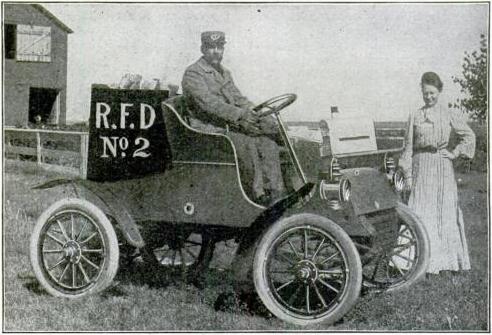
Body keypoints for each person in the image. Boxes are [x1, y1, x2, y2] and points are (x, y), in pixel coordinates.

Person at [181, 31, 285, 204]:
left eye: (219, 47)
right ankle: (257, 197)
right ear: (203, 49)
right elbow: (209, 103)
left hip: (228, 125)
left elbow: (238, 98)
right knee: (247, 143)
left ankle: (276, 193)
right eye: (211, 47)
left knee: (267, 140)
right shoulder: (193, 74)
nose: (216, 51)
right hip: (207, 131)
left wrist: (254, 111)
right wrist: (241, 115)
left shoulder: (224, 73)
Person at [399, 71, 475, 274]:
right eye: (425, 93)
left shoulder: (448, 113)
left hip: (441, 168)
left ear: (439, 91)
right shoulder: (415, 115)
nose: (429, 97)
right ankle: (414, 263)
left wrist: (454, 153)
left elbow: (468, 136)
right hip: (420, 167)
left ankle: (447, 262)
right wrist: (407, 175)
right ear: (421, 92)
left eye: (432, 93)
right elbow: (407, 148)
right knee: (418, 211)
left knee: (444, 213)